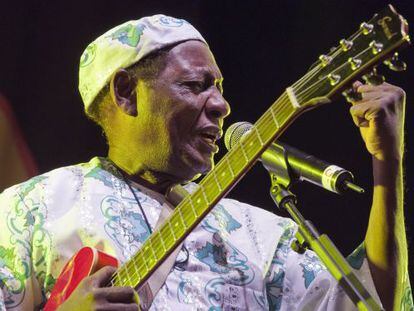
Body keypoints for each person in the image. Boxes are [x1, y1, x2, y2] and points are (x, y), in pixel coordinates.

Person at [0, 14, 412, 311]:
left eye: (218, 87)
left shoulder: (261, 234)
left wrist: (386, 163)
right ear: (127, 93)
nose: (221, 104)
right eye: (196, 85)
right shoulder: (34, 208)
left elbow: (368, 302)